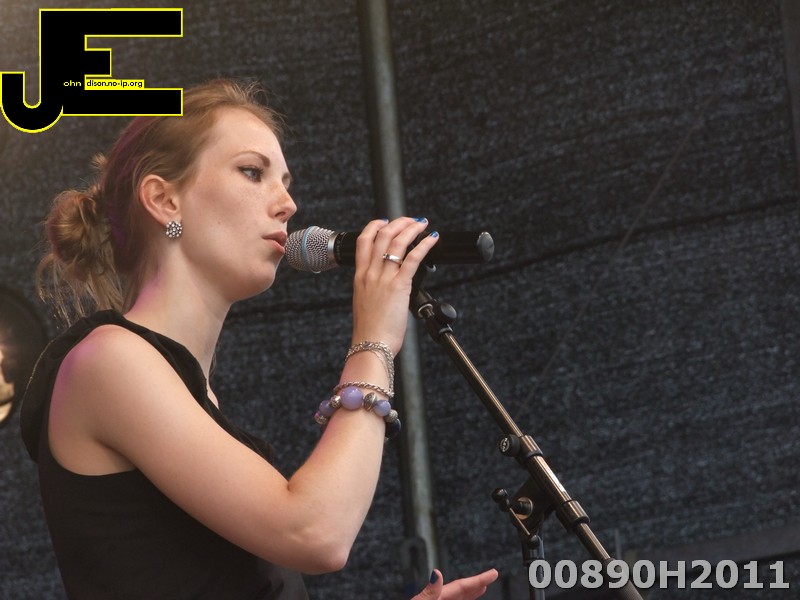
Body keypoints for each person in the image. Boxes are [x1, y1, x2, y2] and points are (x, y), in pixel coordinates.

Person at [20, 78, 498, 599]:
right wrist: (373, 342)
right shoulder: (109, 362)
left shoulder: (188, 391)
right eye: (253, 172)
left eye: (286, 181)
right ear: (164, 200)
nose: (288, 203)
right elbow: (315, 533)